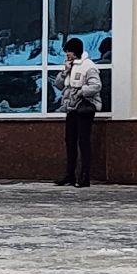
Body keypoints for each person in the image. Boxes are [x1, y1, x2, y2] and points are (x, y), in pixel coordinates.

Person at [56, 37, 103, 188]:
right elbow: (58, 85)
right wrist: (64, 72)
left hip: (84, 108)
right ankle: (70, 174)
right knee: (70, 141)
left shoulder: (88, 66)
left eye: (68, 51)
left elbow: (96, 86)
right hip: (71, 108)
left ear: (75, 51)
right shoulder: (69, 66)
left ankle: (84, 176)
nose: (66, 54)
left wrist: (81, 91)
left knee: (83, 142)